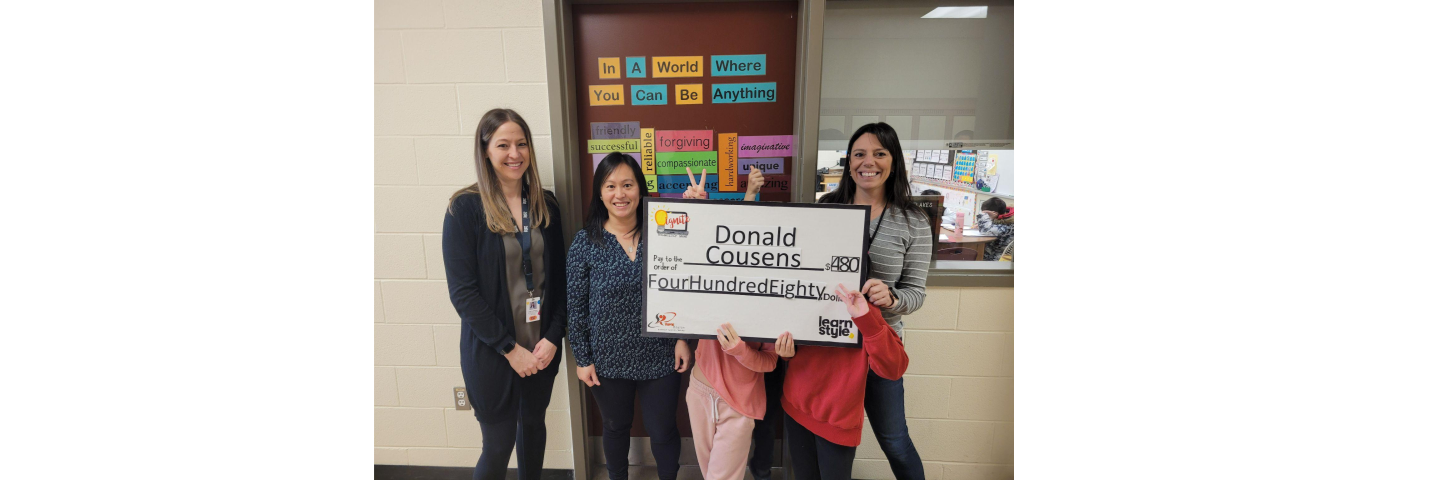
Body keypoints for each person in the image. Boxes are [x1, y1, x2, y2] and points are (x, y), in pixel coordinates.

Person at [442, 108, 567, 480]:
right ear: (485, 152)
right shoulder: (464, 208)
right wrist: (511, 350)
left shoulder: (546, 205)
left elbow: (560, 281)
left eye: (522, 144)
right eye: (503, 145)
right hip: (495, 353)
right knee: (497, 447)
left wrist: (553, 337)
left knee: (533, 432)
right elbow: (463, 294)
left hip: (541, 349)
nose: (515, 153)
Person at [817, 122, 931, 480]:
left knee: (895, 440)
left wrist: (892, 297)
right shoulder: (826, 208)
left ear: (893, 161)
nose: (869, 162)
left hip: (879, 346)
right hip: (830, 346)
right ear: (849, 162)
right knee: (828, 438)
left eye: (880, 153)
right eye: (859, 154)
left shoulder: (914, 221)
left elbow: (916, 293)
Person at [568, 152, 693, 480]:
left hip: (661, 351)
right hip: (607, 360)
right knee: (615, 427)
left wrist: (683, 337)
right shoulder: (585, 243)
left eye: (627, 184)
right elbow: (575, 306)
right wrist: (582, 359)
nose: (619, 194)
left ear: (640, 190)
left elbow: (683, 287)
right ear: (600, 193)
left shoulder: (664, 233)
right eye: (611, 186)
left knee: (664, 429)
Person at [680, 167, 779, 480]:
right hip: (699, 389)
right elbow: (688, 257)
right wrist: (696, 208)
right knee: (711, 473)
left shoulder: (775, 292)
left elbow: (770, 361)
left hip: (739, 403)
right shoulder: (715, 273)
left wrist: (739, 351)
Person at [777, 284, 909, 480]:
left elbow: (894, 368)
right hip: (797, 408)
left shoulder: (861, 308)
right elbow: (788, 345)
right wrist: (786, 353)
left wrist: (866, 319)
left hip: (837, 420)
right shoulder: (799, 295)